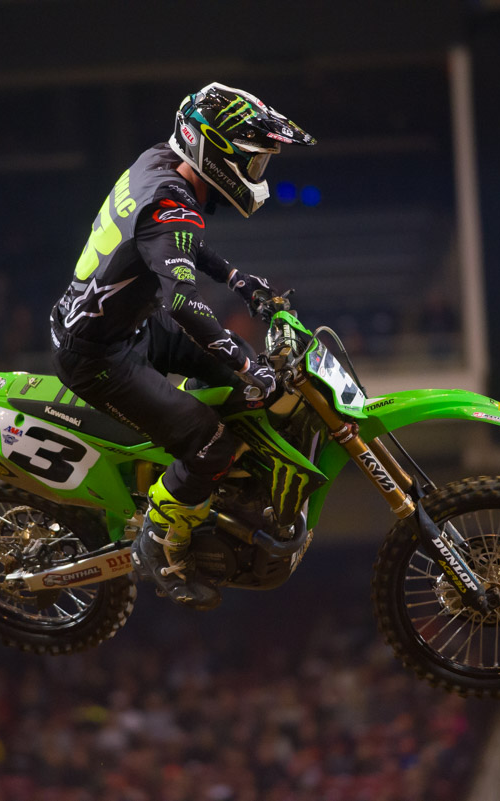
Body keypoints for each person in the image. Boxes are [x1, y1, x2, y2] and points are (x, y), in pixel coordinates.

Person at [49, 82, 316, 609]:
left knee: (243, 381)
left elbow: (178, 240)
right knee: (211, 441)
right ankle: (160, 545)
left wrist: (237, 279)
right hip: (98, 356)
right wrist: (246, 364)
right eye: (254, 162)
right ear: (214, 151)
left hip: (124, 327)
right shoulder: (170, 203)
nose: (257, 174)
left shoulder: (160, 163)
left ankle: (211, 493)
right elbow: (182, 303)